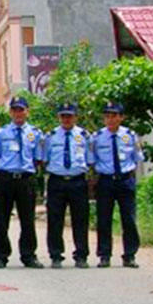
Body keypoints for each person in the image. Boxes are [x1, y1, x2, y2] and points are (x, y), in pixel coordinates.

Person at [0, 96, 44, 269]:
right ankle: (1, 256)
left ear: (27, 111)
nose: (18, 113)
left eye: (21, 109)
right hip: (6, 178)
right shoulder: (2, 133)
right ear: (10, 112)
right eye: (15, 110)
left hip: (25, 179)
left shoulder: (35, 133)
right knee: (1, 219)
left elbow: (37, 158)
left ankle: (28, 255)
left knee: (28, 219)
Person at [92, 102, 143, 268]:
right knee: (104, 219)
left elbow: (136, 158)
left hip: (125, 180)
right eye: (107, 116)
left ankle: (129, 255)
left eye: (114, 115)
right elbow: (93, 160)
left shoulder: (130, 136)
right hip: (106, 181)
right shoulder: (97, 137)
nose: (110, 119)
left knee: (128, 218)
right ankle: (104, 255)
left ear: (121, 117)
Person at [44, 103, 92, 269]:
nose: (66, 119)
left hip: (77, 181)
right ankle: (56, 255)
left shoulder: (84, 135)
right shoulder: (50, 136)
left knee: (80, 219)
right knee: (55, 220)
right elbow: (44, 158)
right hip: (56, 181)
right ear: (59, 117)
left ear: (75, 117)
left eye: (69, 116)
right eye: (63, 116)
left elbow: (90, 159)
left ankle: (81, 255)